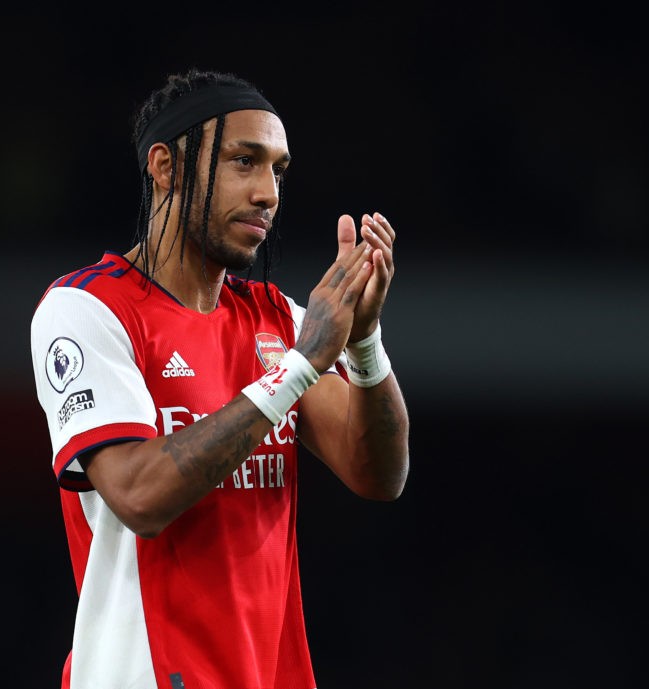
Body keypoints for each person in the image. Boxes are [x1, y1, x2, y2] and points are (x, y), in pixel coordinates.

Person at [30, 67, 410, 689]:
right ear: (165, 167)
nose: (268, 193)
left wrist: (364, 345)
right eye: (243, 162)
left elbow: (379, 475)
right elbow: (139, 497)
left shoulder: (273, 320)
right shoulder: (87, 310)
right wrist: (298, 367)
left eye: (278, 171)